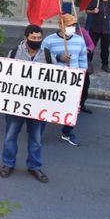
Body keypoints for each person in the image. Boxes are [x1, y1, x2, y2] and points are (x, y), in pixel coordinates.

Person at [0, 25, 50, 183]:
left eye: (39, 38)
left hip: (38, 106)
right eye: (33, 38)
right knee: (10, 136)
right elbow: (3, 76)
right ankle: (8, 164)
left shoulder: (47, 55)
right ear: (26, 37)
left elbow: (57, 79)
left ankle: (34, 166)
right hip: (16, 105)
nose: (36, 41)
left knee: (36, 139)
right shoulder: (14, 53)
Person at [43, 13, 88, 147]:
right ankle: (38, 132)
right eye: (69, 25)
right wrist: (58, 58)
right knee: (46, 106)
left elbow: (83, 60)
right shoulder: (49, 40)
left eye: (74, 25)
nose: (72, 27)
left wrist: (82, 77)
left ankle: (67, 132)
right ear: (60, 26)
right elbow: (41, 57)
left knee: (72, 108)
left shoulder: (79, 40)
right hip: (54, 80)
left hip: (73, 81)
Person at [86, 0, 110, 73]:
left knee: (105, 48)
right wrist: (93, 11)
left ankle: (105, 64)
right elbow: (87, 10)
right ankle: (88, 63)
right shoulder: (95, 1)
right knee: (91, 47)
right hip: (95, 29)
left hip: (107, 30)